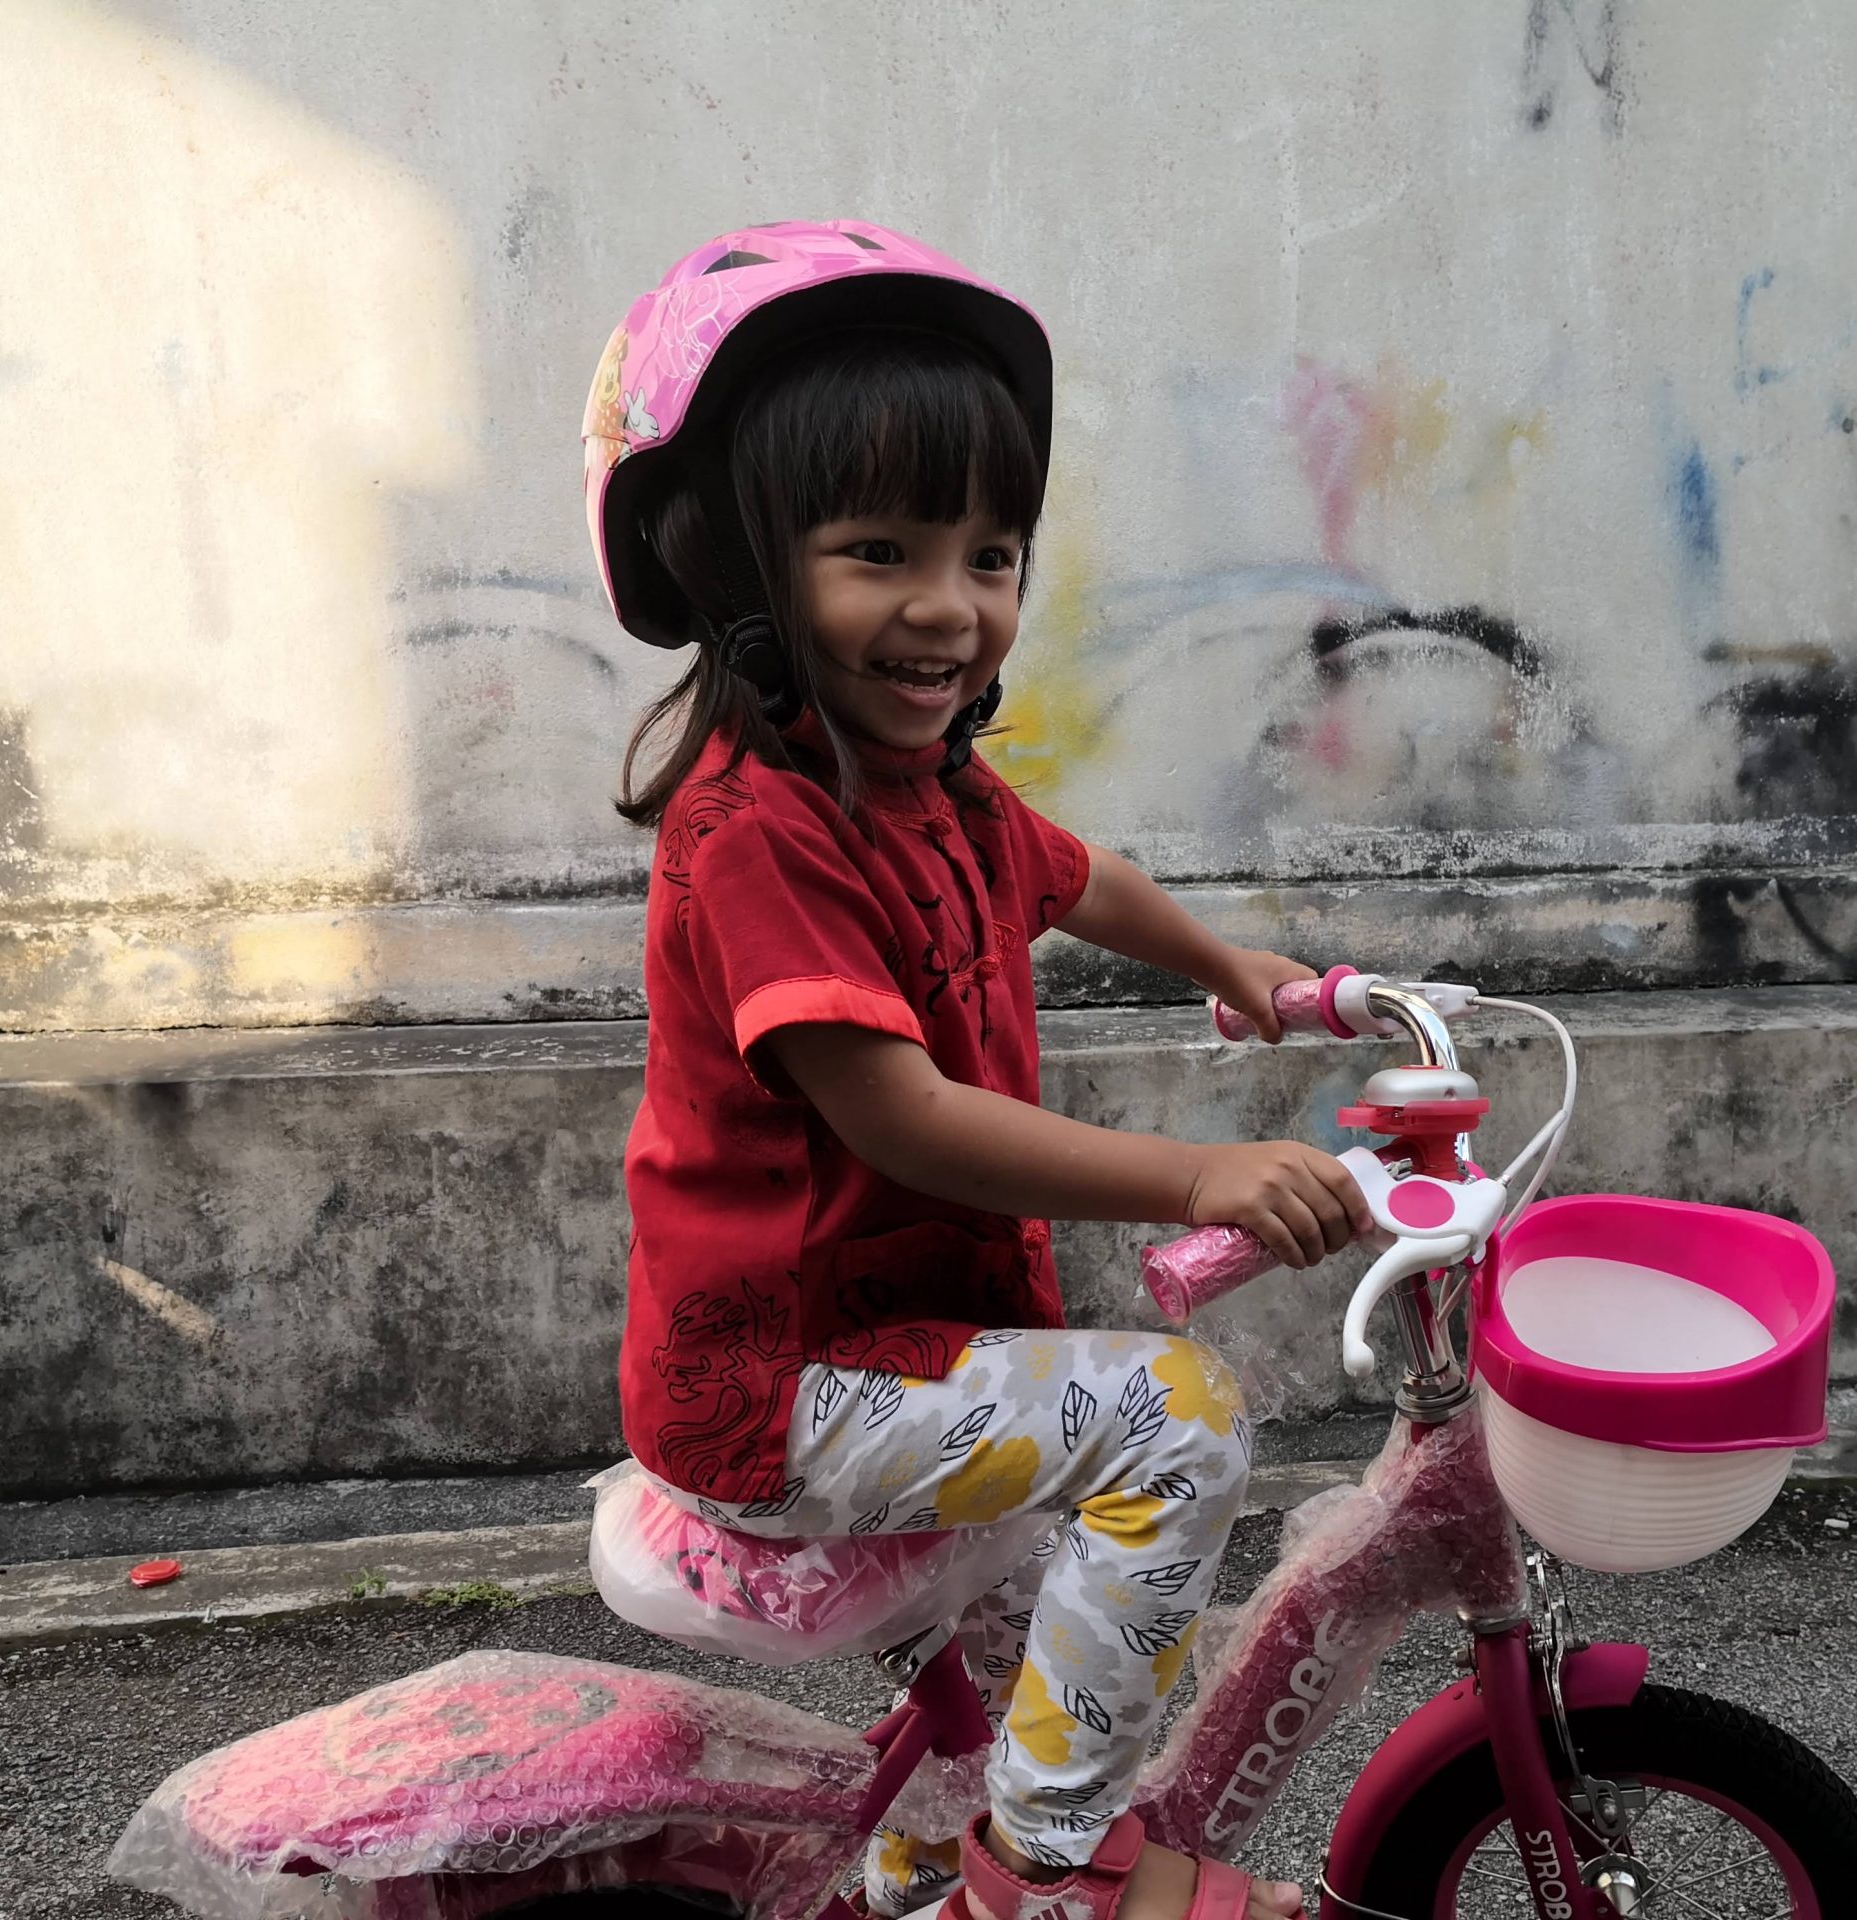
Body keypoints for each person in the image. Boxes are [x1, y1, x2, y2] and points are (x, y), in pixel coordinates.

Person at [582, 222, 1370, 1920]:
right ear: (742, 568)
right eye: (881, 552)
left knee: (1032, 1661)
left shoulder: (922, 774)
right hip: (783, 1385)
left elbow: (1070, 873)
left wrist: (1240, 969)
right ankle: (1049, 1868)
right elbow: (903, 1116)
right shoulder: (755, 831)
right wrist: (1198, 1172)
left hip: (912, 1343)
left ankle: (932, 1866)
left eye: (991, 553)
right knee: (1175, 1422)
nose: (951, 607)